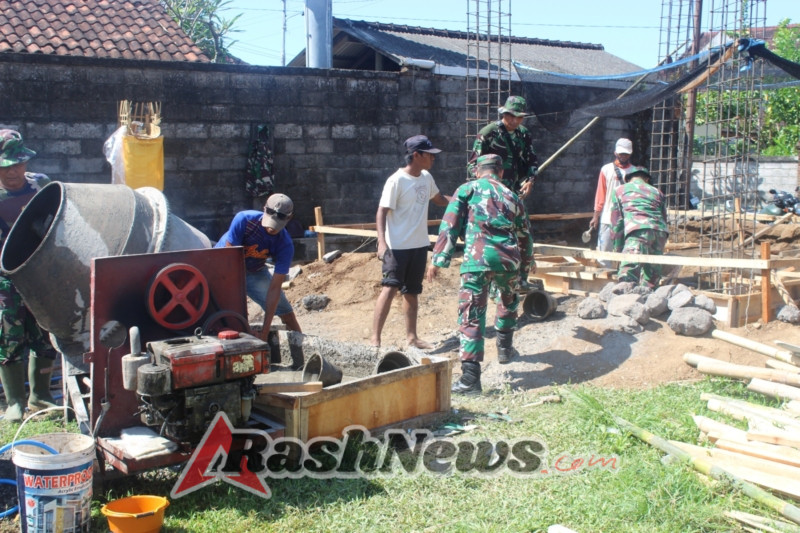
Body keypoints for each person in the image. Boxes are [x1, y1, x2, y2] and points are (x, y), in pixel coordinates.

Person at [427, 154, 534, 395]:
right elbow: (525, 236)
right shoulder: (512, 196)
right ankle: (505, 350)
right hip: (508, 261)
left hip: (477, 260)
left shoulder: (467, 189)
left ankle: (470, 381)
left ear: (477, 171)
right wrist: (525, 269)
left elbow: (450, 223)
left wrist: (439, 259)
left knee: (472, 314)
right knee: (508, 302)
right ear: (501, 172)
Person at [0, 130, 59, 423]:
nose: (13, 171)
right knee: (9, 337)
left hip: (40, 275)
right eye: (6, 165)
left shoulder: (41, 185)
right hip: (5, 280)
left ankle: (41, 395)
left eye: (18, 163)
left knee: (45, 334)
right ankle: (14, 402)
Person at [370, 135, 450, 349]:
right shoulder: (396, 181)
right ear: (416, 155)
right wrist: (381, 242)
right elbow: (381, 211)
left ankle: (412, 338)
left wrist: (460, 198)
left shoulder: (426, 177)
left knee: (412, 291)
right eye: (429, 155)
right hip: (396, 247)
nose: (433, 159)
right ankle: (375, 339)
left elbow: (440, 199)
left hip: (419, 245)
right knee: (389, 289)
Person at [215, 193, 302, 339]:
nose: (271, 228)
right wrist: (242, 315)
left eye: (277, 224)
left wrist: (265, 332)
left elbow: (274, 288)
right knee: (227, 315)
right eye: (269, 223)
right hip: (224, 266)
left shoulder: (285, 245)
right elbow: (229, 260)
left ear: (289, 218)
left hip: (254, 271)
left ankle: (302, 347)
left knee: (286, 312)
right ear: (264, 209)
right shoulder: (244, 219)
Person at [467, 95, 540, 199]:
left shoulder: (523, 134)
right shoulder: (488, 133)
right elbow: (472, 165)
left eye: (519, 117)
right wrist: (487, 182)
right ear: (504, 114)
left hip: (514, 193)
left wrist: (530, 181)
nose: (515, 120)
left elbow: (532, 161)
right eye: (511, 115)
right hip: (490, 193)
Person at [608, 166, 669, 289]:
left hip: (637, 231)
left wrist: (618, 248)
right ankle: (650, 301)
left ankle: (624, 302)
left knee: (628, 271)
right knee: (652, 274)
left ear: (628, 179)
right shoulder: (658, 192)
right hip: (660, 232)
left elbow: (617, 222)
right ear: (646, 179)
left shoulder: (619, 190)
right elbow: (663, 217)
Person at [589, 138, 634, 268]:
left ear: (630, 154)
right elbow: (600, 195)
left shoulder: (635, 172)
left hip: (628, 219)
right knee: (604, 253)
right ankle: (605, 279)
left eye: (626, 154)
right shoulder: (606, 170)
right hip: (608, 218)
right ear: (615, 152)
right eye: (621, 153)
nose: (623, 156)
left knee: (627, 251)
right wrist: (595, 216)